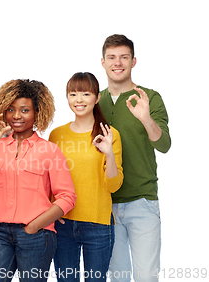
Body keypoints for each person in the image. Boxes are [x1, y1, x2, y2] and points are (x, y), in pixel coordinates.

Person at [0, 79, 77, 282]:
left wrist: (35, 226)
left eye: (24, 110)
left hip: (36, 235)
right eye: (11, 109)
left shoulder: (50, 150)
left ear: (37, 114)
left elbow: (67, 197)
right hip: (0, 234)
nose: (16, 116)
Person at [99, 34, 171, 282]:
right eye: (112, 57)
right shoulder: (94, 100)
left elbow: (164, 145)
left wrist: (145, 118)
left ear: (133, 61)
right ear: (103, 62)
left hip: (142, 201)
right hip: (105, 204)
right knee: (118, 278)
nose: (117, 63)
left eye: (123, 57)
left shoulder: (149, 98)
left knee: (146, 278)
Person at [49, 72, 123, 282]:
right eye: (73, 94)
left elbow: (113, 185)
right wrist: (52, 208)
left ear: (97, 97)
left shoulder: (110, 134)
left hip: (98, 224)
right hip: (63, 223)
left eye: (85, 94)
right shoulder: (56, 135)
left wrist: (108, 152)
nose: (78, 100)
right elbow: (49, 178)